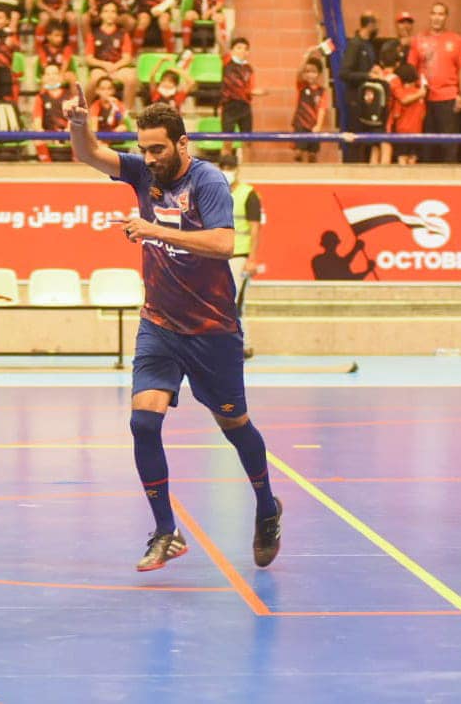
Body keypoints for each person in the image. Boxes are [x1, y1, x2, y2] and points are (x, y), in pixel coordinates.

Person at [66, 91, 283, 572]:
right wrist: (80, 125)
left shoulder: (208, 181)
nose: (148, 158)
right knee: (143, 422)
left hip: (211, 329)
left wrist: (154, 230)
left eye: (157, 149)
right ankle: (167, 531)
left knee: (234, 426)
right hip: (160, 323)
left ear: (182, 144)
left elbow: (224, 244)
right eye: (143, 149)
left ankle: (267, 507)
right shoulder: (143, 173)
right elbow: (89, 154)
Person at [409, 1, 461, 162]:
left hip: (448, 97)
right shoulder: (418, 39)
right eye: (434, 13)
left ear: (446, 17)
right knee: (427, 145)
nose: (437, 17)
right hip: (424, 99)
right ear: (430, 16)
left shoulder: (456, 40)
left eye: (441, 14)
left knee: (449, 145)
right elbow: (411, 69)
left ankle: (450, 176)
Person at [219, 154, 262, 359]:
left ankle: (241, 344)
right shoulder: (216, 192)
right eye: (224, 167)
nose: (227, 171)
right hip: (219, 253)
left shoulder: (248, 194)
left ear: (237, 170)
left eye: (230, 168)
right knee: (221, 301)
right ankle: (231, 343)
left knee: (234, 301)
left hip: (240, 255)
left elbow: (255, 229)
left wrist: (252, 259)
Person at [339, 11, 379, 162]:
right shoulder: (355, 45)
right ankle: (353, 166)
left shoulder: (368, 44)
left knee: (367, 139)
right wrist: (367, 75)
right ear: (370, 25)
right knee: (356, 138)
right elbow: (344, 73)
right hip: (355, 99)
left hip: (367, 100)